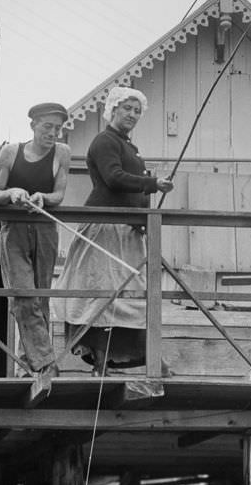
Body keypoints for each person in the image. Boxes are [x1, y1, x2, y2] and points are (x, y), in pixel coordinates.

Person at [52, 86, 173, 373]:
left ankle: (119, 358)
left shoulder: (130, 147)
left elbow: (131, 185)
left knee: (129, 293)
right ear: (113, 109)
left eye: (137, 111)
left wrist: (143, 211)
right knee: (103, 293)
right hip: (105, 228)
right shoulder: (104, 141)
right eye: (127, 108)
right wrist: (152, 183)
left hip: (126, 229)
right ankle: (99, 359)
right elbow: (114, 178)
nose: (132, 114)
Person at [0, 102, 71, 386]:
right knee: (23, 296)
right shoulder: (11, 152)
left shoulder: (62, 152)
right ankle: (46, 363)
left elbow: (59, 194)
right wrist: (12, 192)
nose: (52, 133)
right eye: (47, 127)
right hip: (13, 231)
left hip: (45, 228)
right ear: (33, 125)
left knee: (40, 299)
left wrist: (42, 198)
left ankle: (30, 366)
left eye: (57, 128)